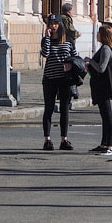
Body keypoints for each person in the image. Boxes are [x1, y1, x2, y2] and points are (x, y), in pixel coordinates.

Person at [40, 16, 75, 150]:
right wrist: (47, 38)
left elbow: (74, 56)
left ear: (60, 25)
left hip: (65, 80)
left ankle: (64, 140)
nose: (53, 26)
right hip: (49, 78)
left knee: (64, 110)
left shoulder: (68, 40)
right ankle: (47, 140)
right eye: (51, 24)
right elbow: (45, 54)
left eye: (56, 24)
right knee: (48, 109)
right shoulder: (46, 40)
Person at [86, 24, 112, 155]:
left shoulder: (106, 49)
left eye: (99, 33)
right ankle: (104, 144)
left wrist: (90, 61)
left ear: (104, 35)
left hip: (104, 87)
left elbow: (101, 68)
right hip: (102, 86)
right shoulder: (105, 48)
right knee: (104, 116)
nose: (97, 35)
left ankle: (110, 146)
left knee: (108, 117)